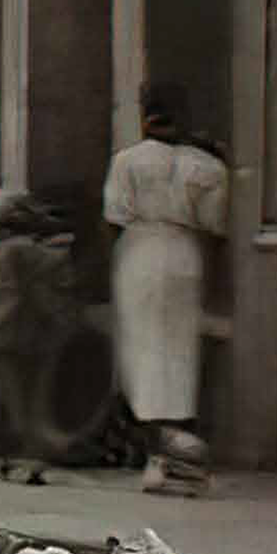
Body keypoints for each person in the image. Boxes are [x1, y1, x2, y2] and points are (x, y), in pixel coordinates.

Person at [104, 85, 230, 493]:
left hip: (140, 251)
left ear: (146, 115)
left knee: (140, 350)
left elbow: (115, 215)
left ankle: (158, 453)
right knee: (178, 351)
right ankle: (177, 452)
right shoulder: (209, 167)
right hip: (185, 254)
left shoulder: (127, 161)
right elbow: (216, 225)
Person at [0, 187, 83, 483]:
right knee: (38, 394)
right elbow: (67, 291)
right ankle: (37, 456)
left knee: (10, 394)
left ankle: (14, 454)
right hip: (42, 331)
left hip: (6, 329)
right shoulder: (51, 255)